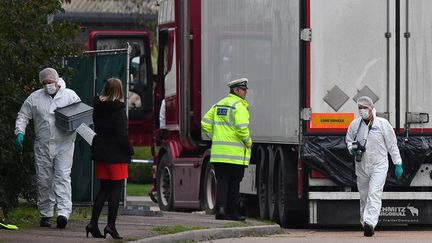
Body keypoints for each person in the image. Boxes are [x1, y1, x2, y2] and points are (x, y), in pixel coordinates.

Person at [15, 67, 81, 228]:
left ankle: (63, 213)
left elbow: (81, 117)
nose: (47, 86)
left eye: (50, 82)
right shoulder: (35, 98)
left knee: (62, 177)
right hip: (43, 145)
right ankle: (45, 214)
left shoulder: (70, 96)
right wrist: (19, 132)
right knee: (44, 180)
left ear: (57, 81)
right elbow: (23, 115)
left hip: (64, 144)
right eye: (44, 83)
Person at [346, 96, 403, 237]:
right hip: (361, 166)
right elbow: (348, 141)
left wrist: (398, 163)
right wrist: (351, 148)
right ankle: (365, 222)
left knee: (374, 194)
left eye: (365, 108)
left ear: (371, 108)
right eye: (360, 108)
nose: (362, 111)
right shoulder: (355, 124)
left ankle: (370, 223)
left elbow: (392, 145)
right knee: (364, 196)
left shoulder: (382, 124)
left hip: (379, 165)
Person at [86, 77, 134, 239]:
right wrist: (129, 150)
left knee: (104, 189)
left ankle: (93, 224)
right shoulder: (118, 110)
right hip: (116, 154)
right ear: (119, 91)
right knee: (116, 190)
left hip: (101, 150)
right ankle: (111, 225)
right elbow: (122, 135)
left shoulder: (98, 107)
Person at [201, 78, 252, 221]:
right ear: (236, 90)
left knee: (222, 181)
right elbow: (242, 129)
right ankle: (233, 212)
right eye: (243, 89)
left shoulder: (219, 105)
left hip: (219, 153)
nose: (246, 92)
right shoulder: (239, 106)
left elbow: (205, 123)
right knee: (234, 183)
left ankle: (221, 210)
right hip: (234, 155)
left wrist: (214, 137)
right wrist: (248, 142)